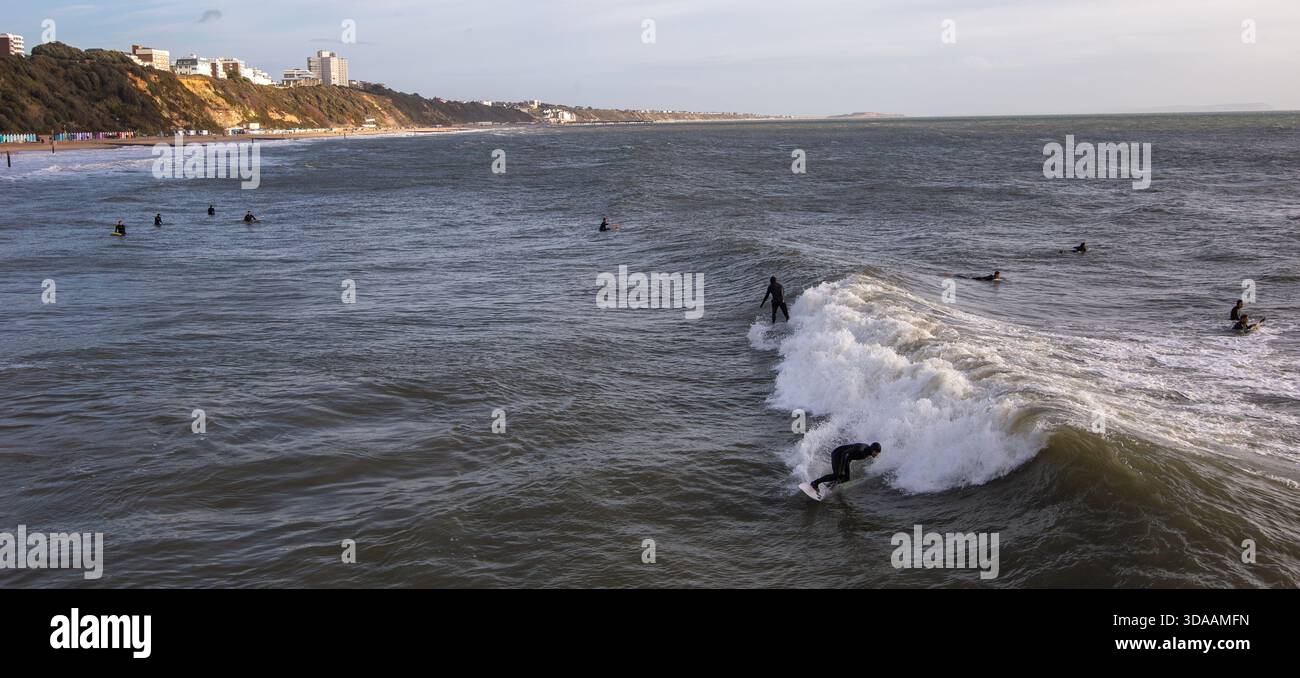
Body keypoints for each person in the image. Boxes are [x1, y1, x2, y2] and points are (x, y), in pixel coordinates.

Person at [809, 442, 882, 494]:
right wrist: (842, 468)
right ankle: (815, 483)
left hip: (846, 458)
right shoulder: (862, 449)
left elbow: (850, 457)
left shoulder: (867, 452)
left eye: (878, 452)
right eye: (876, 452)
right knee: (837, 474)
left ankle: (829, 486)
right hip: (838, 454)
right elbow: (845, 453)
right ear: (872, 450)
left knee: (846, 478)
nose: (877, 454)